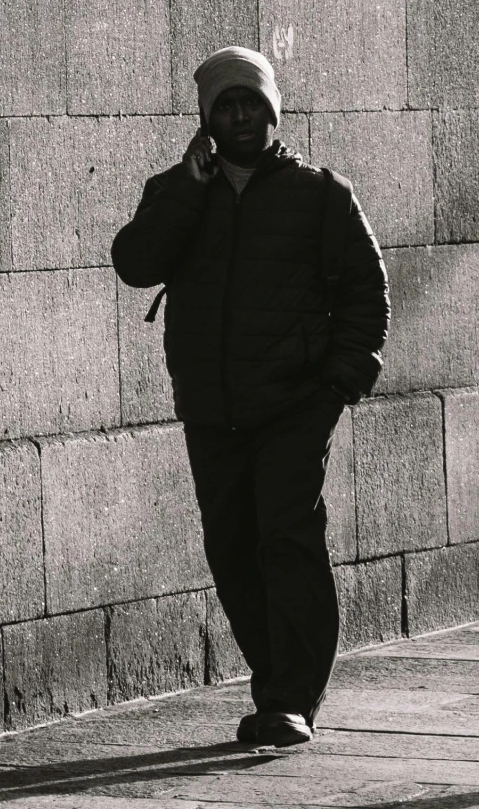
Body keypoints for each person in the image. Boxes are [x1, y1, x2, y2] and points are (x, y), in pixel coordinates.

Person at [112, 44, 389, 752]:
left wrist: (339, 381)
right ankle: (272, 687)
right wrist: (186, 187)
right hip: (210, 406)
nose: (239, 116)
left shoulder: (322, 193)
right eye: (224, 106)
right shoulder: (175, 189)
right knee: (231, 545)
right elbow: (135, 264)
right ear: (205, 119)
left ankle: (293, 697)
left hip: (295, 402)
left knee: (286, 537)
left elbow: (365, 292)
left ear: (273, 110)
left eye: (250, 103)